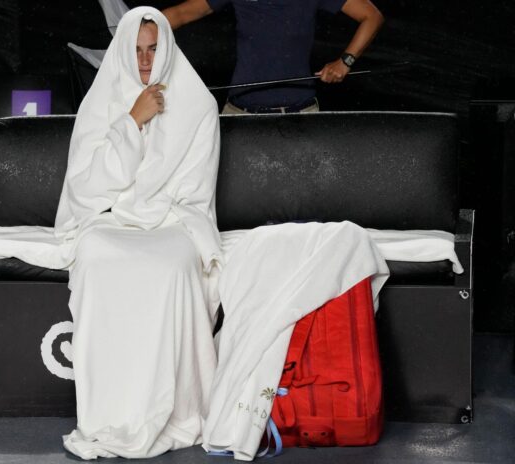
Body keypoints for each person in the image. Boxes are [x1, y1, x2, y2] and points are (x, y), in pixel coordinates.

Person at [56, 6, 223, 459]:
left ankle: (174, 409)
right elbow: (86, 188)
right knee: (96, 257)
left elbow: (194, 191)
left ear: (167, 48)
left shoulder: (199, 106)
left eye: (153, 49)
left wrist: (148, 205)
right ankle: (108, 413)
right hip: (110, 220)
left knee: (173, 266)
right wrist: (132, 121)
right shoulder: (102, 102)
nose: (146, 61)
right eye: (135, 51)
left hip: (172, 221)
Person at [163, 0, 384, 113]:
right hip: (238, 114)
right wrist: (143, 25)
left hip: (300, 115)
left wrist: (345, 61)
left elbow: (372, 16)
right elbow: (180, 14)